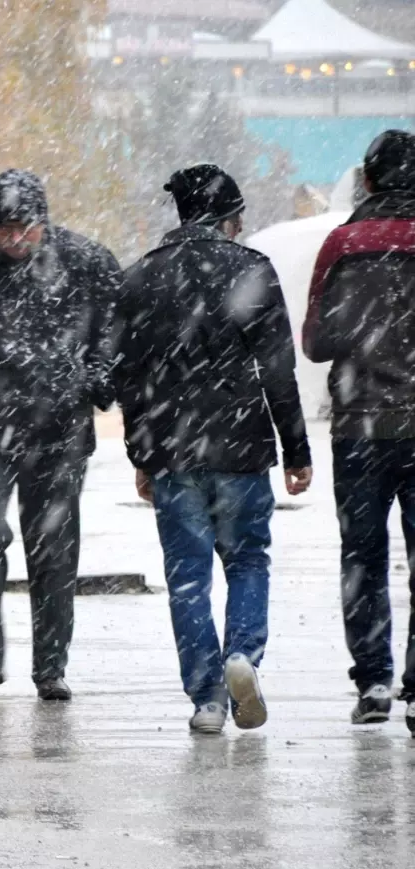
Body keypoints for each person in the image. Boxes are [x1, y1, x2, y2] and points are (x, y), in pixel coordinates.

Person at [114, 164, 313, 735]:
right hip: (241, 446)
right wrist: (296, 450)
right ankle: (242, 657)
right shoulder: (251, 270)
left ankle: (206, 698)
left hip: (174, 453)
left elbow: (129, 379)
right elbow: (278, 369)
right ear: (227, 219)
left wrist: (142, 456)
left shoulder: (140, 278)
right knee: (248, 561)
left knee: (187, 577)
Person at [0, 169, 121, 699]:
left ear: (42, 222)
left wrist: (92, 379)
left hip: (61, 431)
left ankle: (50, 665)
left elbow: (115, 330)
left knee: (54, 548)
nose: (14, 240)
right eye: (4, 230)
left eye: (23, 229)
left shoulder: (86, 264)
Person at [303, 129, 415, 732]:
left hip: (358, 428)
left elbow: (315, 342)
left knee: (363, 558)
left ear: (367, 180)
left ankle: (373, 680)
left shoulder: (342, 244)